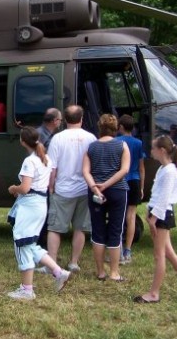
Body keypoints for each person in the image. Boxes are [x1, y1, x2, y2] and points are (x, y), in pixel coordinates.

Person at [133, 135, 177, 303]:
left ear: (162, 150)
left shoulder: (170, 171)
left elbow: (163, 199)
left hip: (162, 216)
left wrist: (153, 219)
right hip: (159, 215)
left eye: (153, 148)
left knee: (159, 255)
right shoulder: (163, 168)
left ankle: (154, 293)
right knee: (168, 253)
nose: (151, 151)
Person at [6, 126, 71, 300]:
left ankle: (27, 289)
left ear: (22, 141)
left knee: (21, 242)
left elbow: (25, 188)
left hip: (29, 205)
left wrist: (14, 188)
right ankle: (58, 271)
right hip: (41, 204)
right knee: (31, 244)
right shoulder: (46, 159)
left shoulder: (30, 161)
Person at [39, 105, 96, 274]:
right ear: (81, 118)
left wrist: (50, 186)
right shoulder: (91, 138)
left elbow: (52, 166)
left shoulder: (57, 138)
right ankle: (74, 262)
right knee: (80, 228)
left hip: (62, 189)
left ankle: (52, 263)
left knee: (55, 228)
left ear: (64, 119)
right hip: (84, 188)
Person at [83, 114, 130, 282]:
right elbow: (124, 170)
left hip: (96, 193)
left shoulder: (91, 147)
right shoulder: (122, 145)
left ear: (99, 128)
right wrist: (107, 184)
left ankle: (100, 271)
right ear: (116, 128)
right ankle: (115, 272)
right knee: (116, 230)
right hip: (117, 191)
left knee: (98, 230)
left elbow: (85, 171)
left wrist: (95, 187)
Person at [118, 114, 146, 264]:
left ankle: (117, 248)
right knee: (131, 216)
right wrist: (142, 186)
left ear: (120, 127)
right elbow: (142, 167)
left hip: (120, 181)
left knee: (119, 215)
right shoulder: (138, 143)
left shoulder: (116, 141)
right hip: (134, 180)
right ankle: (127, 250)